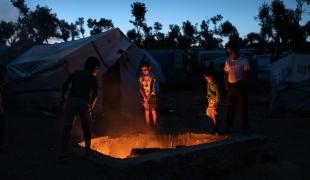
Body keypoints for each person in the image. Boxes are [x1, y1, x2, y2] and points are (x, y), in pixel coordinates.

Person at [59, 56, 100, 160]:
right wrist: (91, 105)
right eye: (97, 69)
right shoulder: (92, 78)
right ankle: (87, 151)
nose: (97, 71)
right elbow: (95, 94)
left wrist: (63, 98)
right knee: (86, 128)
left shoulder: (76, 73)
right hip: (84, 102)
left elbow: (65, 84)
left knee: (67, 126)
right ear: (94, 67)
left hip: (72, 100)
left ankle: (64, 152)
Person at [222, 40, 250, 135]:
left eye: (228, 48)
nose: (227, 49)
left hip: (240, 84)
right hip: (231, 86)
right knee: (229, 107)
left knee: (242, 107)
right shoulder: (228, 60)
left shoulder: (243, 59)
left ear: (232, 49)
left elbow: (246, 73)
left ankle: (244, 127)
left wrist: (244, 85)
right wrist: (226, 84)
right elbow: (225, 73)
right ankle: (228, 127)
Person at [138, 61, 158, 127]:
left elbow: (152, 87)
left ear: (149, 69)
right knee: (146, 110)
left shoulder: (152, 77)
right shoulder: (141, 79)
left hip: (152, 95)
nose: (144, 71)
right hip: (144, 96)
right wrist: (144, 97)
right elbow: (140, 89)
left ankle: (154, 125)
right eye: (143, 70)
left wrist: (148, 97)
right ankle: (148, 126)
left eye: (146, 70)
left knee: (153, 110)